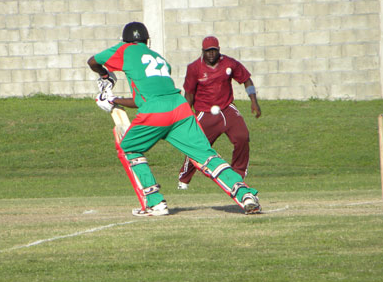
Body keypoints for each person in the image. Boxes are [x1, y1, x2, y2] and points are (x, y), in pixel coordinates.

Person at [87, 22, 261, 216]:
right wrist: (113, 99)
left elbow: (92, 61)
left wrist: (104, 75)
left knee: (128, 147)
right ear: (147, 41)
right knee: (206, 156)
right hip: (180, 108)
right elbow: (141, 99)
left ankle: (155, 202)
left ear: (126, 40)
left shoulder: (125, 48)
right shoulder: (160, 59)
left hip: (156, 110)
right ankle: (246, 195)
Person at [177, 36, 261, 190]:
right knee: (198, 147)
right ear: (202, 51)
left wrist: (254, 101)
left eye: (214, 51)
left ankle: (238, 175)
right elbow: (189, 94)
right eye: (208, 51)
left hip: (227, 108)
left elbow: (246, 79)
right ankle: (184, 179)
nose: (211, 54)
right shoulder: (194, 68)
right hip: (205, 112)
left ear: (218, 50)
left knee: (242, 137)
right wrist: (186, 115)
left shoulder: (229, 63)